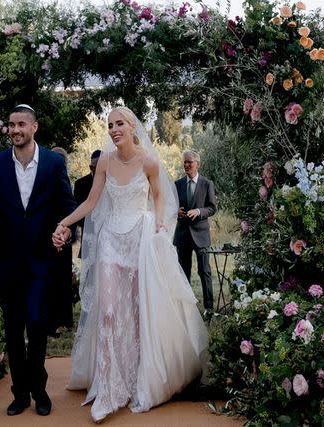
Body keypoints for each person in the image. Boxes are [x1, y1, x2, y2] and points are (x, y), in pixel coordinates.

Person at [52, 107, 208, 422]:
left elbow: (160, 196)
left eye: (119, 123)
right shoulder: (106, 162)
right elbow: (91, 201)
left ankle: (136, 378)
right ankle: (109, 389)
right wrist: (64, 223)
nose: (113, 129)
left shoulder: (149, 161)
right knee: (109, 312)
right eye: (109, 125)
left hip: (139, 237)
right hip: (111, 238)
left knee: (136, 314)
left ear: (132, 126)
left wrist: (160, 225)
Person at [0, 104, 76, 417]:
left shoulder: (54, 163)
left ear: (34, 127)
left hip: (42, 260)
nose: (15, 130)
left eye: (21, 125)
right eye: (11, 125)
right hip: (8, 259)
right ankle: (19, 394)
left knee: (37, 325)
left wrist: (64, 231)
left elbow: (67, 207)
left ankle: (40, 391)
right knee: (14, 329)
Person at [173, 150, 217, 314]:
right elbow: (171, 207)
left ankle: (209, 308)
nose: (186, 165)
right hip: (182, 235)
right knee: (183, 273)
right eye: (184, 162)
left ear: (197, 164)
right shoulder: (177, 184)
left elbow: (212, 208)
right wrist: (176, 212)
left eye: (189, 162)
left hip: (201, 235)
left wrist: (199, 211)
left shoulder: (207, 184)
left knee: (204, 271)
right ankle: (186, 308)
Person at [49, 145, 74, 331]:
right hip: (47, 235)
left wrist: (65, 231)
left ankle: (63, 319)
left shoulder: (63, 179)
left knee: (62, 279)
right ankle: (55, 319)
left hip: (61, 234)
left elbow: (69, 207)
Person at [74, 149, 101, 257]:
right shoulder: (81, 184)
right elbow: (77, 209)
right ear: (91, 167)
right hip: (88, 232)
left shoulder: (110, 182)